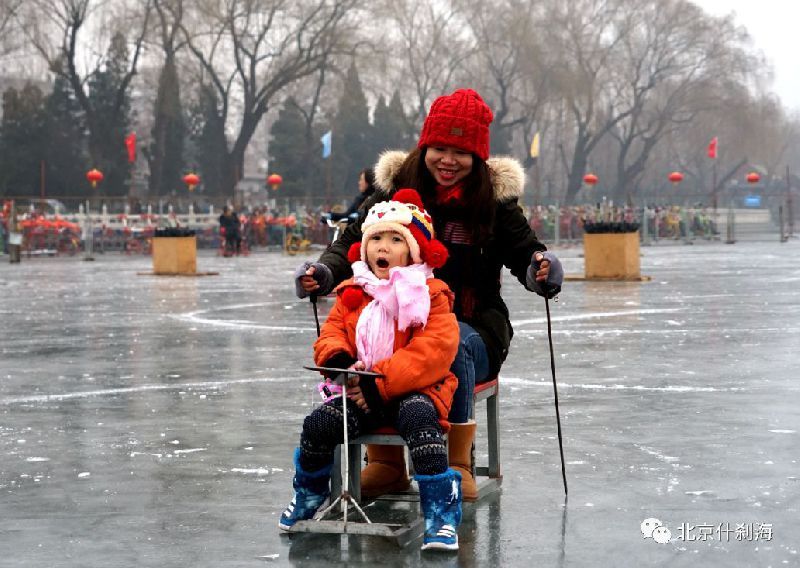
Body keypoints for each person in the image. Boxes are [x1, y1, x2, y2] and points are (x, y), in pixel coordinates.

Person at [294, 88, 563, 502]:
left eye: (461, 152)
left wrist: (540, 268)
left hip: (475, 323)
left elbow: (525, 251)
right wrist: (324, 271)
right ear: (424, 148)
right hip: (401, 320)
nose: (448, 161)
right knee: (373, 338)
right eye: (439, 148)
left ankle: (457, 463)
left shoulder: (493, 201)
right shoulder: (395, 189)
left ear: (477, 157)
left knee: (451, 340)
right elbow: (352, 241)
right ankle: (385, 465)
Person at [281, 189, 464, 551]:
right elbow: (332, 333)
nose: (383, 246)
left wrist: (377, 384)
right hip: (358, 391)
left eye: (396, 239)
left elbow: (432, 352)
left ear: (414, 250)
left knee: (420, 425)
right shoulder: (353, 291)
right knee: (319, 425)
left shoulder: (431, 294)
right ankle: (309, 493)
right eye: (376, 238)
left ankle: (441, 513)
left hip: (416, 390)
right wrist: (339, 363)